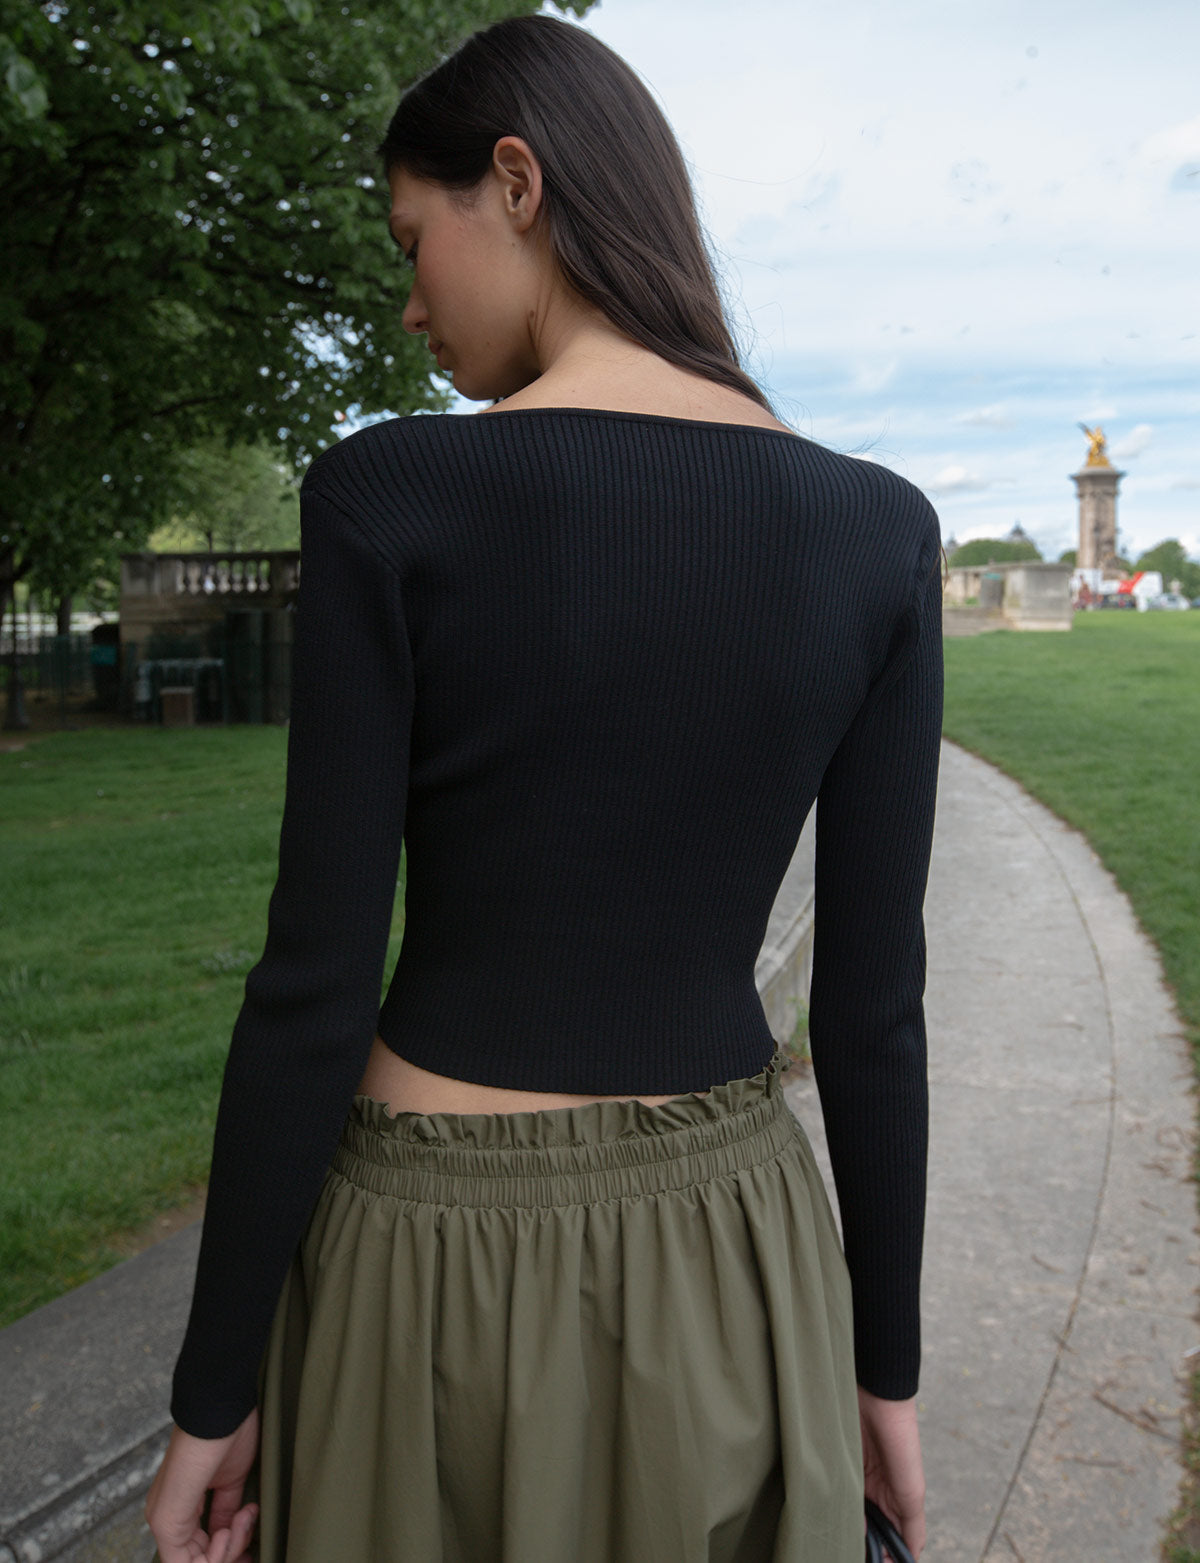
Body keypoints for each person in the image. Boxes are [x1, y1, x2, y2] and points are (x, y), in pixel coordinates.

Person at [146, 14, 941, 1562]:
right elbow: (873, 1010)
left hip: (422, 1274)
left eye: (412, 241)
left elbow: (312, 986)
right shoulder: (877, 531)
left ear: (515, 183)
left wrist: (214, 1391)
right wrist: (884, 1371)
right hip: (736, 1257)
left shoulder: (390, 496)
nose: (408, 305)